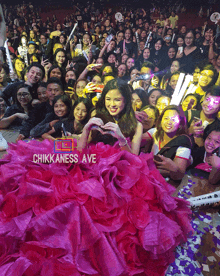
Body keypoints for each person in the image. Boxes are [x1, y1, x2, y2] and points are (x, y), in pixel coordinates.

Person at [78, 78, 143, 155]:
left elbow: (134, 160)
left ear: (126, 100)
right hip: (95, 165)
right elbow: (80, 153)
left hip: (121, 166)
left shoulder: (136, 125)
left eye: (117, 100)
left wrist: (121, 139)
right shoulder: (98, 118)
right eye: (108, 99)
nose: (112, 104)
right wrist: (86, 130)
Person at [143, 105, 192, 181]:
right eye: (166, 118)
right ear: (161, 120)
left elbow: (178, 176)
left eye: (173, 120)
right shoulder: (155, 132)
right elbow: (136, 141)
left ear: (180, 124)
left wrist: (173, 168)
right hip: (149, 176)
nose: (169, 122)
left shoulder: (183, 142)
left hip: (166, 183)